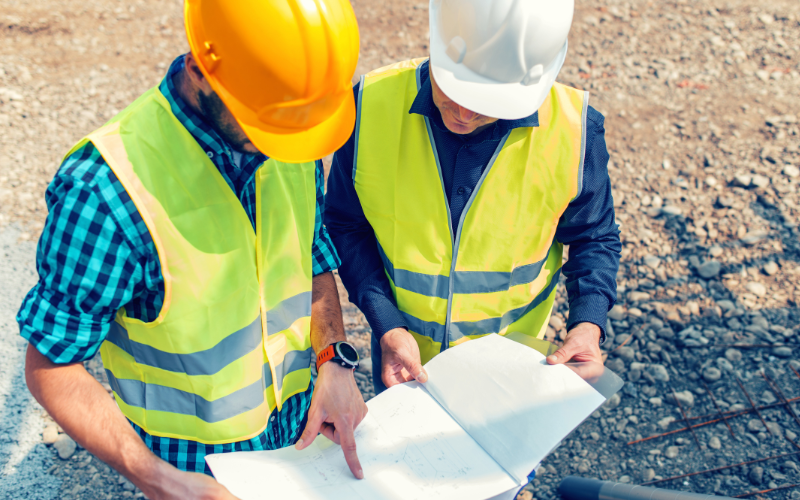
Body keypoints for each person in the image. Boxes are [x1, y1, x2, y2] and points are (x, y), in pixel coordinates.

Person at [19, 1, 367, 498]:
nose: (283, 144)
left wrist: (333, 358)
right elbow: (52, 364)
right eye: (264, 123)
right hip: (191, 469)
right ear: (200, 70)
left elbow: (309, 259)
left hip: (299, 443)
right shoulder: (104, 190)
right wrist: (157, 478)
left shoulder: (289, 134)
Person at [325, 0, 622, 394]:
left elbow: (594, 237)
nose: (463, 113)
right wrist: (386, 323)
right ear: (439, 41)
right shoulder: (370, 104)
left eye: (487, 103)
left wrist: (587, 325)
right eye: (453, 87)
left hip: (513, 372)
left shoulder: (575, 130)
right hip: (404, 365)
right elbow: (345, 224)